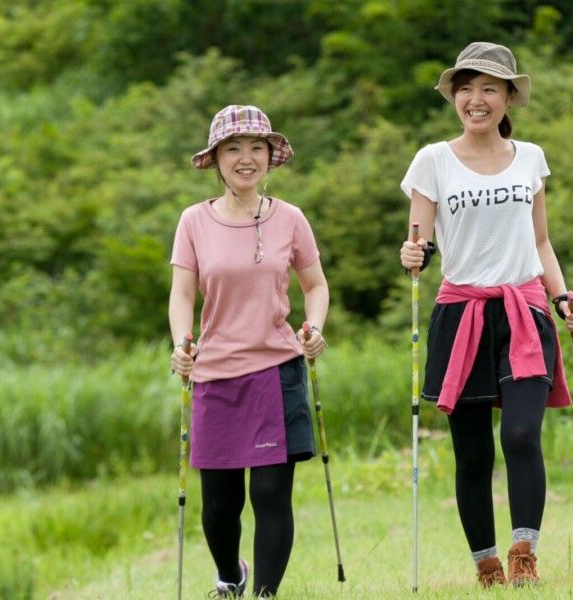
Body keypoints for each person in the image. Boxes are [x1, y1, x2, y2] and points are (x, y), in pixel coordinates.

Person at [398, 42, 573, 588]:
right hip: (462, 316)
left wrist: (563, 297)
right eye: (465, 88)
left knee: (523, 435)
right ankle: (486, 564)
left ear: (508, 98)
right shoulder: (431, 160)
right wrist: (413, 255)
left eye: (488, 89)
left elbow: (542, 241)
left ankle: (525, 550)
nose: (475, 100)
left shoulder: (530, 157)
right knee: (473, 452)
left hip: (525, 309)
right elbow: (419, 241)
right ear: (454, 95)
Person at [169, 105, 328, 598]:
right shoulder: (194, 220)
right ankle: (230, 575)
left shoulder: (290, 219)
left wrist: (314, 326)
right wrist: (180, 344)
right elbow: (181, 294)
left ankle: (265, 593)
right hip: (215, 374)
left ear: (270, 157)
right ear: (215, 159)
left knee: (269, 493)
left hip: (276, 372)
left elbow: (316, 285)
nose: (245, 158)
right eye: (232, 149)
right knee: (219, 505)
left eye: (255, 147)